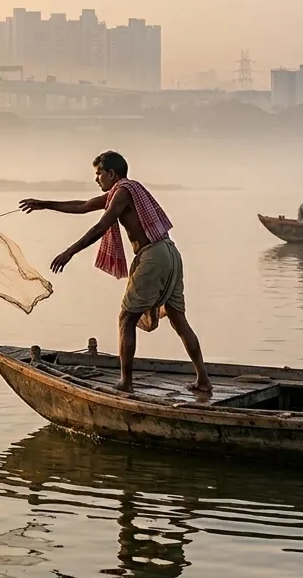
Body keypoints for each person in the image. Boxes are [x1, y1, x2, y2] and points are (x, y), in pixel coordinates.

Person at [20, 151, 212, 395]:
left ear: (112, 173)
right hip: (170, 252)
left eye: (99, 174)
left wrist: (69, 252)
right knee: (178, 319)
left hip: (154, 256)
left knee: (126, 319)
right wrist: (44, 204)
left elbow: (101, 225)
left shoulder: (122, 192)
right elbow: (84, 206)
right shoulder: (124, 191)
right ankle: (203, 380)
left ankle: (126, 382)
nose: (96, 179)